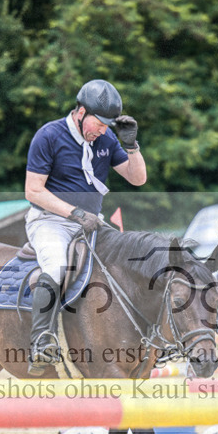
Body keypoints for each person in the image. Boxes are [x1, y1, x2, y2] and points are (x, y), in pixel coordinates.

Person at [23, 79, 147, 375]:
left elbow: (137, 178)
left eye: (107, 126)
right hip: (51, 221)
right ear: (81, 112)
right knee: (55, 266)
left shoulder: (105, 140)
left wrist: (131, 147)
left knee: (127, 263)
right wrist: (75, 212)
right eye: (99, 124)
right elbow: (33, 190)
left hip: (91, 224)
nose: (102, 131)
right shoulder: (49, 135)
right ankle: (41, 341)